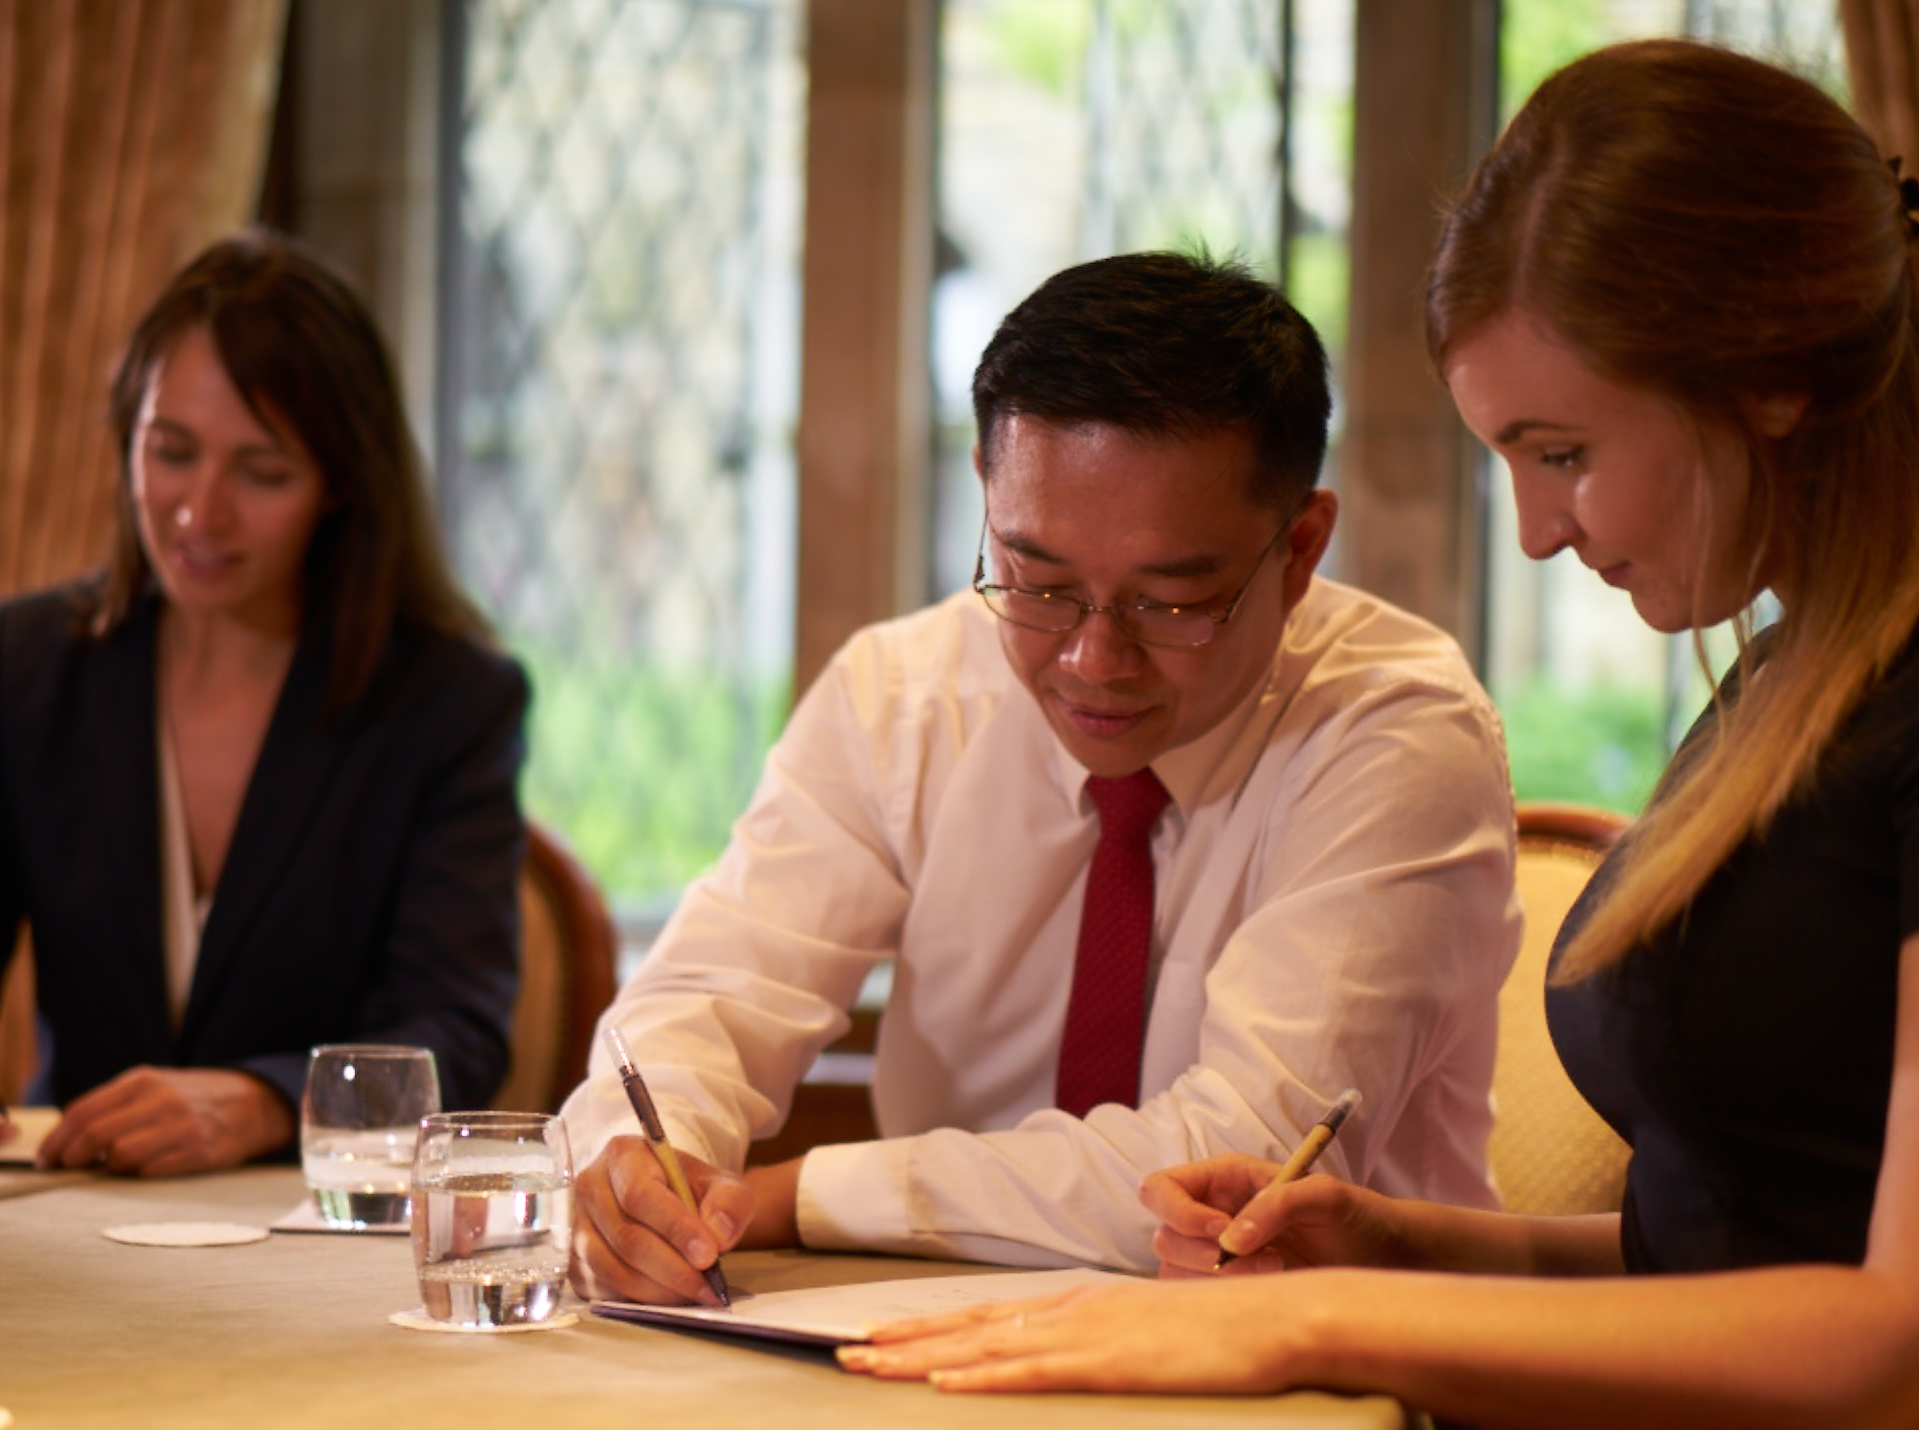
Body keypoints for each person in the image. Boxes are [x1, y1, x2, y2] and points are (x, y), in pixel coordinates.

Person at [840, 38, 1919, 1430]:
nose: (1540, 528)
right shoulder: (1812, 667)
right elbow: (1742, 1244)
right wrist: (1401, 1245)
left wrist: (1313, 1328)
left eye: (1561, 448)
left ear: (1768, 376)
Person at [566, 252, 1520, 1300]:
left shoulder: (1393, 731)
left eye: (1168, 600)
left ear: (1298, 549)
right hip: (925, 1341)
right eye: (1037, 582)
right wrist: (631, 1163)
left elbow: (1234, 1167)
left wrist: (802, 1194)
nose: (1091, 660)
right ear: (985, 488)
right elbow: (713, 990)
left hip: (1330, 1366)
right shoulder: (904, 696)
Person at [0, 230, 527, 1176]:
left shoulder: (448, 701)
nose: (201, 512)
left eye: (263, 471)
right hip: (68, 1209)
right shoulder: (31, 664)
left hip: (313, 1237)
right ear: (129, 437)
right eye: (171, 452)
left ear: (340, 486)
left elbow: (457, 1036)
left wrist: (267, 1103)